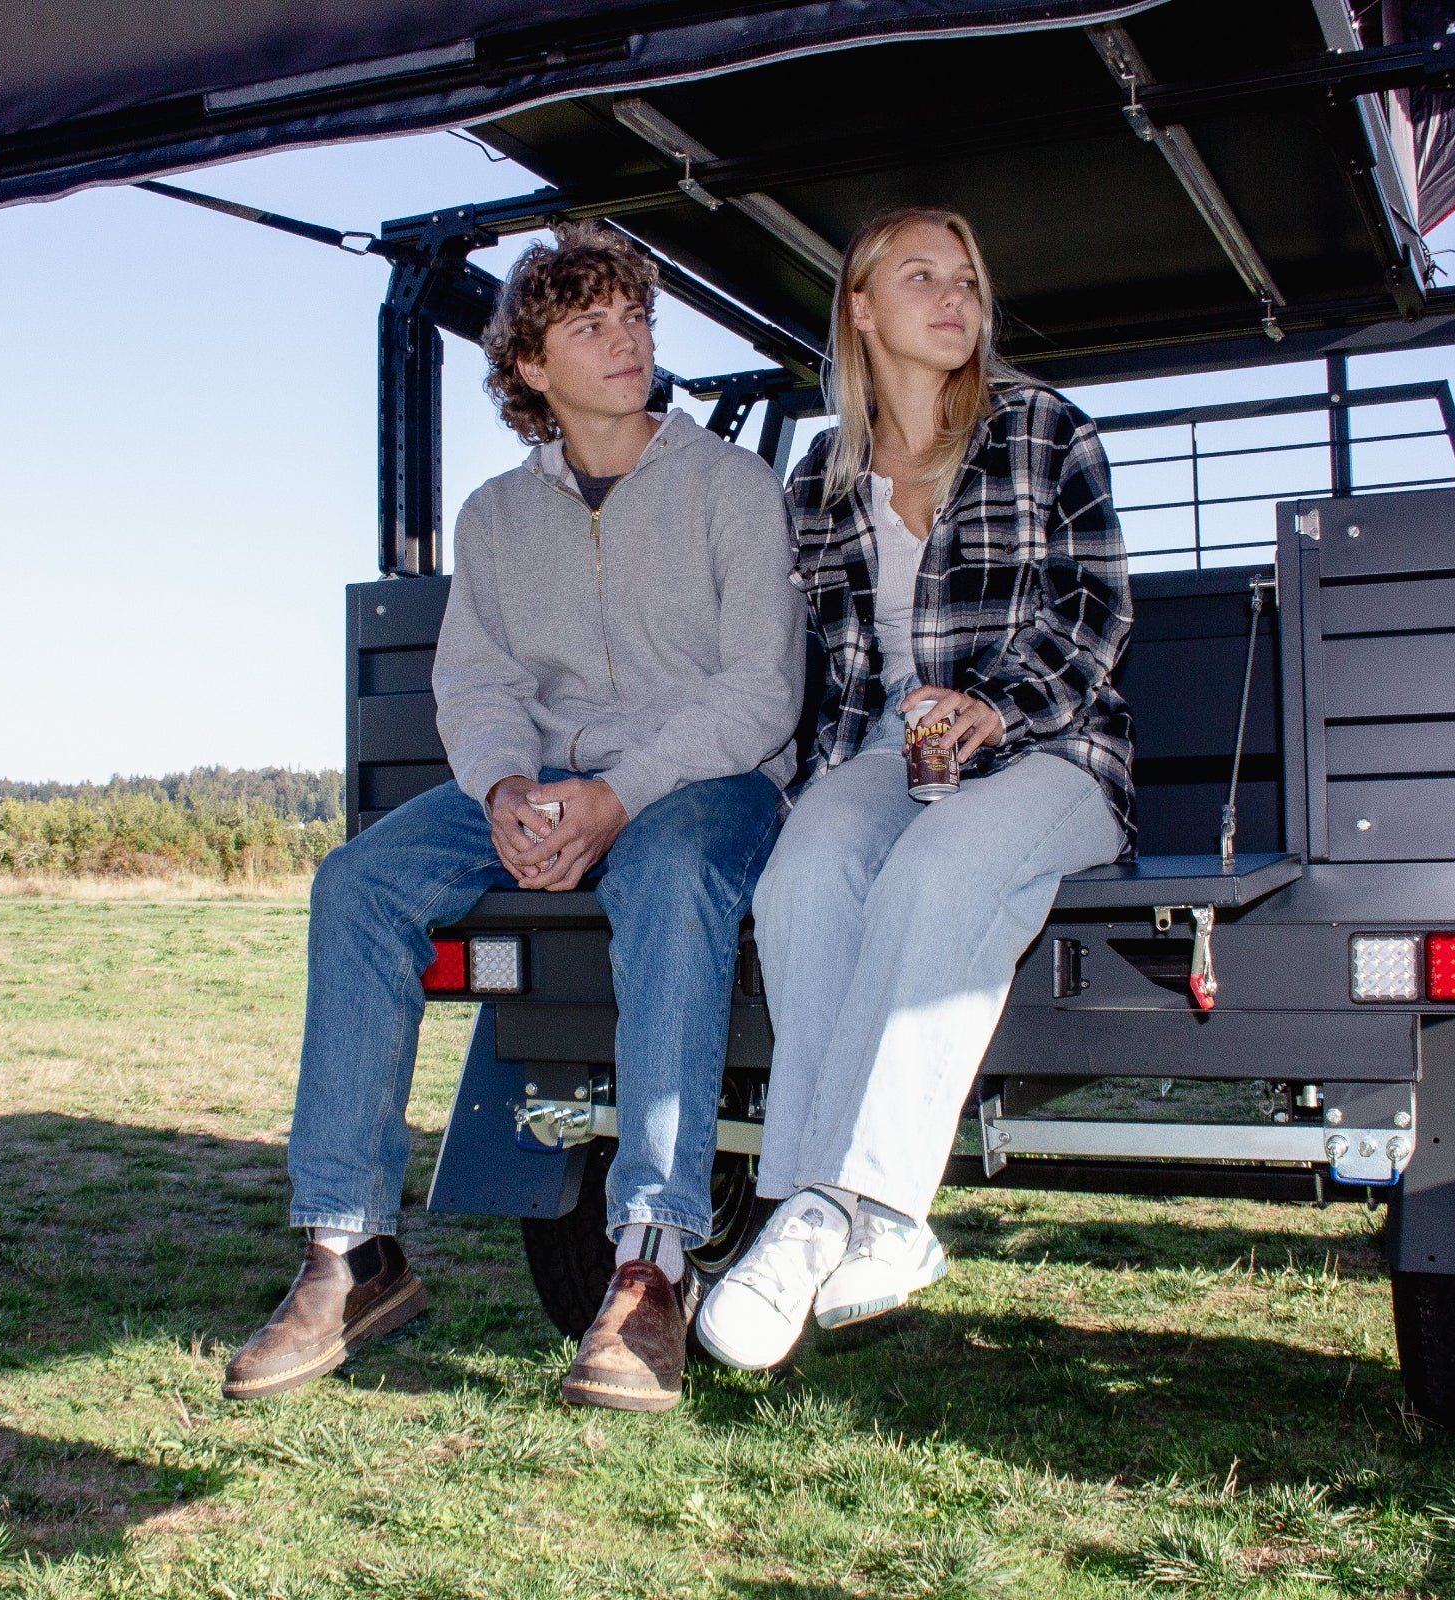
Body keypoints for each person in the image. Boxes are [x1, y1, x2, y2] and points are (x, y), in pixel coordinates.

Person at [223, 222, 802, 1412]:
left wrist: (617, 795)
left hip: (702, 782)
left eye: (636, 316)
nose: (627, 339)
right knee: (359, 884)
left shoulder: (730, 486)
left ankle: (649, 1264)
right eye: (591, 325)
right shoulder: (496, 517)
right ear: (531, 367)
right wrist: (500, 792)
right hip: (531, 782)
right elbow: (474, 685)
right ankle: (349, 1251)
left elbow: (759, 691)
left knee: (672, 878)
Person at [694, 208, 1134, 1371]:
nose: (956, 297)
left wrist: (998, 705)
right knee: (802, 879)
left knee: (937, 871)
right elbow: (820, 669)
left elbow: (1097, 611)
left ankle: (866, 1211)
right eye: (923, 275)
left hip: (1055, 750)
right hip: (888, 753)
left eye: (970, 280)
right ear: (860, 304)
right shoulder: (822, 478)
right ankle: (816, 1211)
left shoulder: (1044, 431)